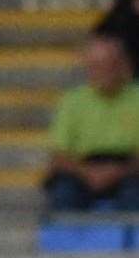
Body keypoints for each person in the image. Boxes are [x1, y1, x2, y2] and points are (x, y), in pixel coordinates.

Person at [42, 35, 139, 213]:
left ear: (121, 65)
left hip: (129, 170)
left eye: (107, 65)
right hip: (82, 170)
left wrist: (117, 172)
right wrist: (88, 173)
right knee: (64, 194)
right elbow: (59, 154)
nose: (101, 72)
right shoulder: (73, 101)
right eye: (95, 66)